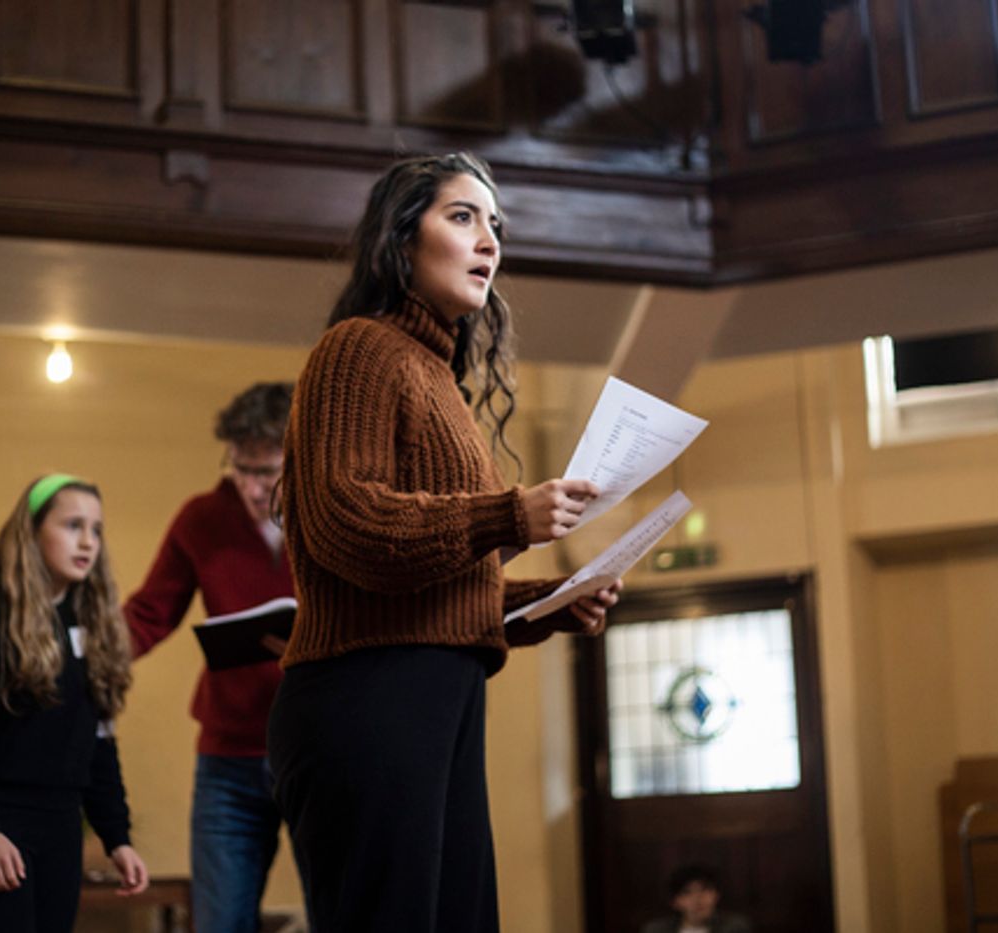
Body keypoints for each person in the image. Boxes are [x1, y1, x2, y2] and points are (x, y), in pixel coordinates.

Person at [268, 151, 623, 933]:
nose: (489, 241)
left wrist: (551, 603)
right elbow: (346, 523)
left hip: (432, 700)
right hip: (366, 700)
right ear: (400, 241)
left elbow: (436, 592)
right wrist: (507, 517)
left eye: (495, 224)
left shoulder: (437, 379)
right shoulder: (359, 349)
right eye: (462, 217)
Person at [0, 473, 149, 933]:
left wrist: (118, 839)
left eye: (96, 529)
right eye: (73, 525)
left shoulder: (94, 624)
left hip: (61, 825)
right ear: (31, 532)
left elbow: (99, 748)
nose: (87, 542)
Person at [124, 382, 295, 933]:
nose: (251, 486)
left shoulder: (336, 515)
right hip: (229, 758)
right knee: (219, 922)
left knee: (345, 910)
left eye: (267, 471)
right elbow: (149, 613)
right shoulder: (201, 518)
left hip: (317, 748)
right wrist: (84, 658)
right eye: (240, 468)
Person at [640, 865, 752, 933]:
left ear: (716, 895)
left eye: (704, 890)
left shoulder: (734, 927)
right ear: (675, 902)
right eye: (687, 892)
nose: (698, 899)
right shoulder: (657, 930)